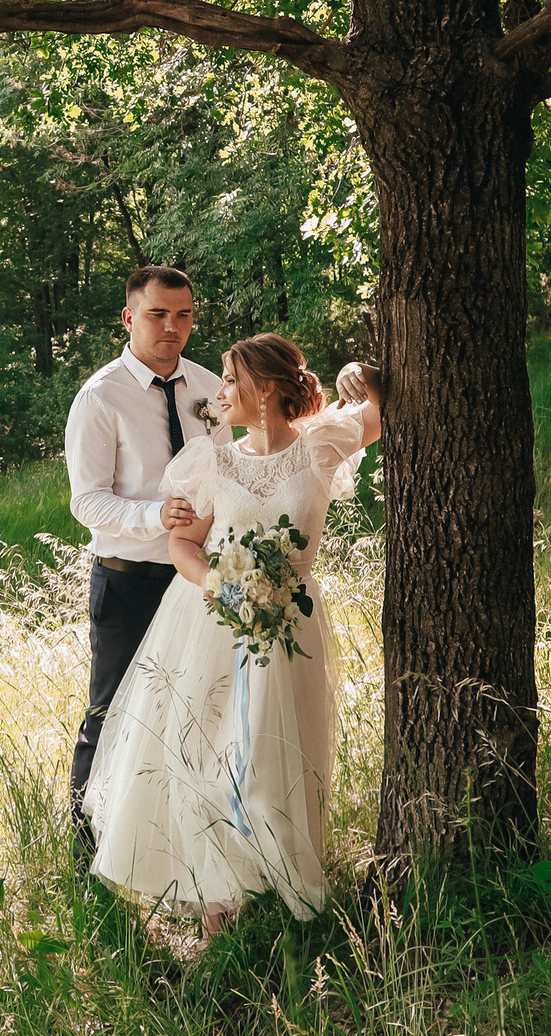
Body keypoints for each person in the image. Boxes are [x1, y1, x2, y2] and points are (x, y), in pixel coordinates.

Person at [82, 333, 382, 925]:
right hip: (212, 621)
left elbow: (381, 404)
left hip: (290, 622)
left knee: (277, 754)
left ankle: (283, 885)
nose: (218, 392)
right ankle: (216, 907)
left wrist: (359, 370)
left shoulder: (322, 445)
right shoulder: (212, 460)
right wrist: (220, 584)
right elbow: (183, 545)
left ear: (264, 389)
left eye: (229, 379)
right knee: (204, 757)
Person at [65, 266, 221, 852]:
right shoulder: (100, 397)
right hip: (128, 582)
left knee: (195, 710)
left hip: (197, 580)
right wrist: (156, 516)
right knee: (111, 712)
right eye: (157, 314)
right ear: (130, 318)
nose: (171, 327)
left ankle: (173, 849)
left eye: (183, 315)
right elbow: (87, 500)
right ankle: (88, 849)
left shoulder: (211, 388)